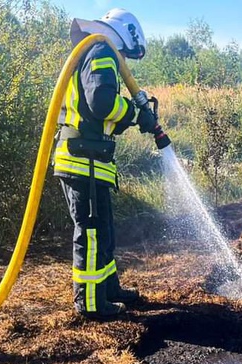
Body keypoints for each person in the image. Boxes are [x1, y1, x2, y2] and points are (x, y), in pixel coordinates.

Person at [54, 9, 157, 319]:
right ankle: (90, 302)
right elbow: (101, 102)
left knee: (104, 232)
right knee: (92, 233)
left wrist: (131, 114)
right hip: (81, 160)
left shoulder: (95, 49)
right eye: (125, 52)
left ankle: (109, 288)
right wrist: (133, 113)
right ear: (125, 34)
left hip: (91, 159)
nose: (124, 59)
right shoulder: (101, 50)